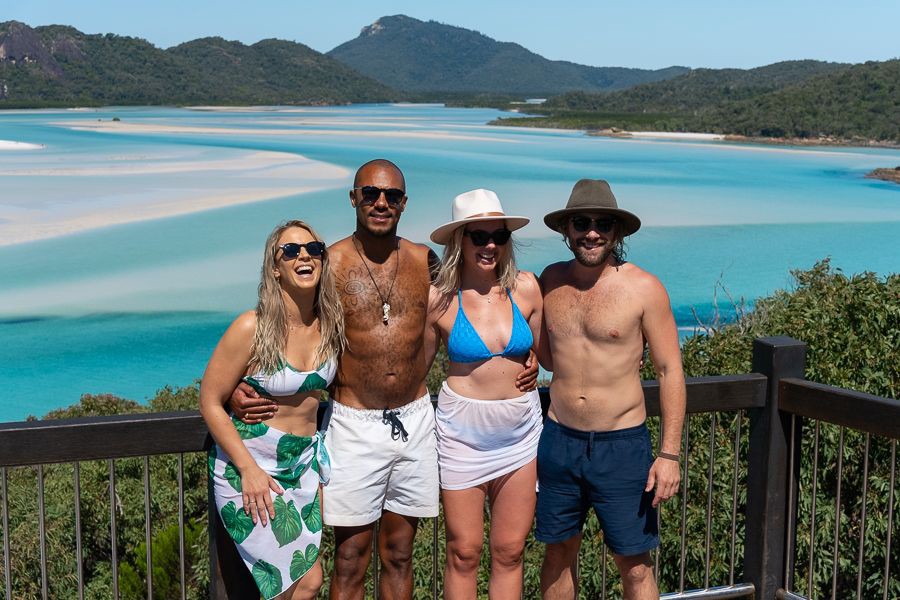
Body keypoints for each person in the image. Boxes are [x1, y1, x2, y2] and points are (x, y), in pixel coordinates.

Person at [229, 160, 539, 600]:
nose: (381, 202)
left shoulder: (424, 261)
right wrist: (244, 383)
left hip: (415, 422)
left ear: (404, 204)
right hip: (353, 423)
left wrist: (526, 358)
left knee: (399, 553)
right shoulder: (328, 263)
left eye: (392, 196)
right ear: (354, 198)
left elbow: (479, 299)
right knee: (351, 557)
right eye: (371, 193)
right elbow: (282, 322)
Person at [536, 179, 686, 600]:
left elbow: (670, 370)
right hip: (559, 440)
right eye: (581, 222)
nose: (592, 232)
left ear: (617, 231)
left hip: (622, 446)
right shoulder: (550, 281)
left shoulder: (644, 288)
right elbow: (548, 356)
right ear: (567, 230)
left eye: (603, 223)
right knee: (557, 554)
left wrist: (669, 455)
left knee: (634, 565)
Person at [200, 220, 346, 600]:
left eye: (314, 250)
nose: (304, 256)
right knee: (299, 583)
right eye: (292, 250)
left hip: (304, 468)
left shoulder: (329, 326)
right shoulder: (252, 327)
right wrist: (248, 470)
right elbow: (210, 400)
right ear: (274, 267)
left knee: (305, 582)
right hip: (251, 470)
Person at [425, 189, 544, 599]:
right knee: (463, 551)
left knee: (510, 551)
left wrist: (637, 351)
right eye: (479, 236)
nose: (491, 244)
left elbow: (547, 354)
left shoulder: (527, 288)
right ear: (460, 241)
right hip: (463, 434)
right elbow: (414, 368)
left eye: (499, 235)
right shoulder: (438, 299)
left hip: (520, 431)